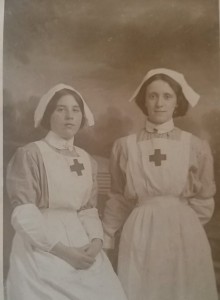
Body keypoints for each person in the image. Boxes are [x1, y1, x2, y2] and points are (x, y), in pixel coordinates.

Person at [102, 68, 218, 300]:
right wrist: (106, 234)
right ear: (144, 100)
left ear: (177, 102)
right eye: (152, 96)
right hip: (140, 230)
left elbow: (204, 198)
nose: (159, 103)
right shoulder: (125, 146)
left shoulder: (195, 146)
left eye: (167, 96)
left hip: (184, 231)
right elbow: (118, 197)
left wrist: (183, 224)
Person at [6, 83, 127, 300]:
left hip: (82, 242)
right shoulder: (30, 154)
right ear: (48, 115)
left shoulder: (86, 159)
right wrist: (63, 252)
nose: (69, 116)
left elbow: (88, 210)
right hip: (43, 244)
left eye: (75, 110)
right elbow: (24, 213)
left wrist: (97, 242)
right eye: (60, 109)